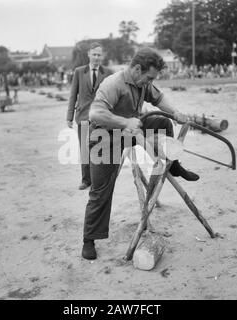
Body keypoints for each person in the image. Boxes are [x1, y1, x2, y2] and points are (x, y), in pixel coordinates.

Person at [82, 48, 200, 260]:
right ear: (137, 69)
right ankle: (89, 240)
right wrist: (125, 122)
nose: (150, 81)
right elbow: (96, 113)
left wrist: (176, 113)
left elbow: (159, 98)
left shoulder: (143, 82)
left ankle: (174, 164)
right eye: (149, 77)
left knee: (163, 122)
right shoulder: (113, 83)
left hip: (132, 127)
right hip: (104, 135)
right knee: (100, 190)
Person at [67, 42, 113, 190]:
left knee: (101, 147)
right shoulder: (79, 72)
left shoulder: (108, 73)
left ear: (102, 56)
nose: (96, 57)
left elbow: (113, 95)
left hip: (101, 117)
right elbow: (73, 95)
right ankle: (86, 180)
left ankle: (99, 179)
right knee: (85, 149)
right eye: (94, 54)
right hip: (83, 116)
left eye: (99, 55)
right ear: (88, 55)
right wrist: (69, 117)